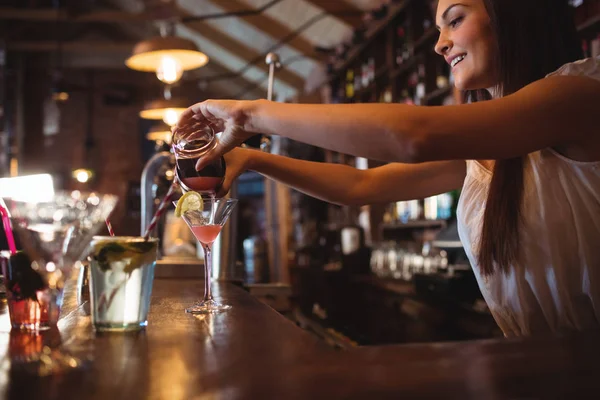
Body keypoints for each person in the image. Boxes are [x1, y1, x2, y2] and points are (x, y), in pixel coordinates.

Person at [174, 0, 600, 337]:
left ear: (513, 13)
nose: (439, 44)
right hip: (537, 369)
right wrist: (252, 158)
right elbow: (362, 184)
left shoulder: (577, 97)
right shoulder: (486, 150)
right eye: (438, 29)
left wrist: (251, 115)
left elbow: (412, 136)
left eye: (454, 21)